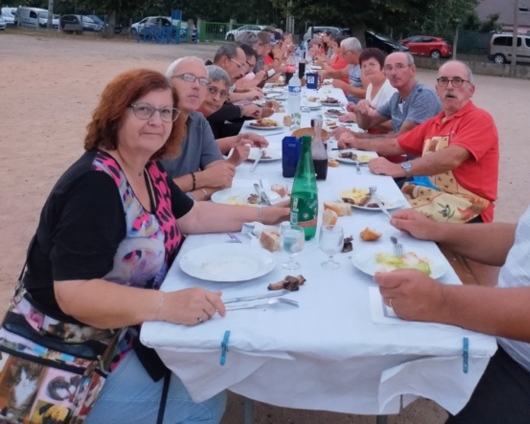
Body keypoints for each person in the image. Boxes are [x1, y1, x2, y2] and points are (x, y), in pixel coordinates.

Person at [16, 69, 288, 424]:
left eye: (165, 112)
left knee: (206, 376)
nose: (157, 121)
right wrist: (166, 305)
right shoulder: (94, 186)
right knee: (203, 404)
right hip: (69, 348)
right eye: (143, 110)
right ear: (115, 114)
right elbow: (73, 293)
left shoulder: (147, 168)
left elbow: (192, 217)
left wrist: (267, 214)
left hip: (123, 326)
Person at [377, 63, 530, 424]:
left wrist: (440, 301)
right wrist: (436, 231)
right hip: (503, 342)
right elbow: (522, 238)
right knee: (383, 345)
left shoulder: (477, 120)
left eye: (457, 81)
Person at [341, 60, 498, 222]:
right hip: (434, 195)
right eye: (444, 81)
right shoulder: (436, 121)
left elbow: (452, 157)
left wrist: (401, 168)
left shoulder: (479, 119)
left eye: (458, 81)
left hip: (470, 207)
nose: (450, 86)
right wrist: (354, 141)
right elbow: (396, 144)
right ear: (437, 89)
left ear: (471, 90)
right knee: (371, 199)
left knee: (391, 218)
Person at [162, 57, 266, 201]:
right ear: (167, 83)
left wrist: (192, 194)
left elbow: (221, 176)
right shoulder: (156, 124)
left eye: (203, 82)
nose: (197, 86)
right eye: (188, 78)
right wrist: (200, 180)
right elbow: (150, 192)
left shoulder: (198, 121)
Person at [333, 50, 440, 141]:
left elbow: (401, 139)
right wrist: (360, 108)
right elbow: (366, 124)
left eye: (399, 66)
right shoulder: (396, 98)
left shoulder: (423, 96)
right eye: (389, 68)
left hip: (415, 160)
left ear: (412, 70)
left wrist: (356, 136)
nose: (394, 72)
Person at [322, 37, 365, 103]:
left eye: (343, 53)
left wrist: (344, 86)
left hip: (356, 104)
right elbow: (341, 73)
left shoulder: (365, 67)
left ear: (351, 52)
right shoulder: (352, 64)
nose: (341, 55)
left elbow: (367, 94)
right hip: (348, 100)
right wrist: (327, 73)